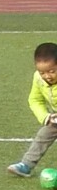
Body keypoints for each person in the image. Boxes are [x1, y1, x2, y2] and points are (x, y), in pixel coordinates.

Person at [7, 42, 57, 177]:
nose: (47, 76)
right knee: (43, 135)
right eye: (42, 72)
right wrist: (46, 117)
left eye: (52, 71)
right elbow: (35, 100)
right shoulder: (38, 79)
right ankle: (26, 165)